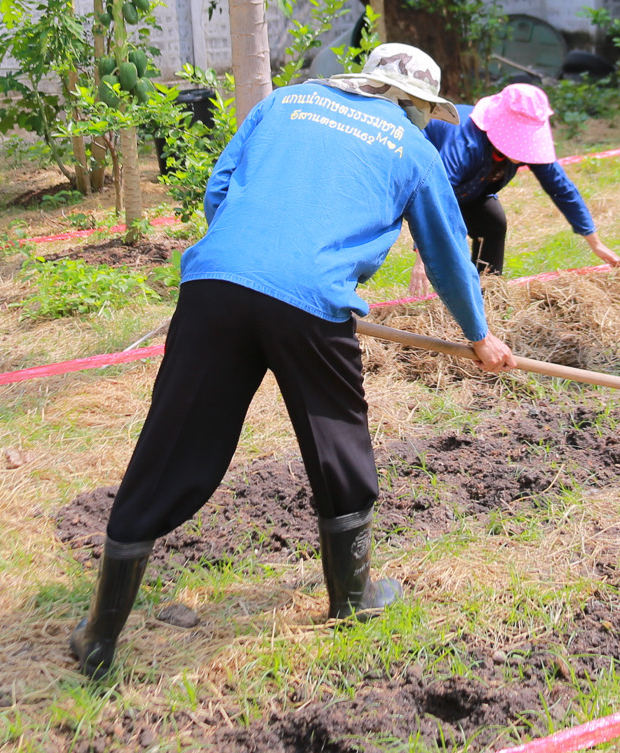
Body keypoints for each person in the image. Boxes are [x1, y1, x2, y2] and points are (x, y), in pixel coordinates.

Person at [69, 43, 513, 678]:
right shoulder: (412, 146)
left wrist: (249, 258)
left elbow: (218, 190)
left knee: (172, 445)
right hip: (311, 301)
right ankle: (353, 597)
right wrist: (479, 335)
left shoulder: (281, 103)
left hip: (215, 284)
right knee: (337, 439)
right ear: (416, 105)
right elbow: (444, 251)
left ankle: (100, 636)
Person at [423, 82, 620, 275]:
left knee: (493, 223)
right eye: (519, 137)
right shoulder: (465, 141)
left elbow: (562, 189)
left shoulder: (527, 150)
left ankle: (489, 294)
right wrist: (422, 257)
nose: (524, 146)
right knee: (451, 245)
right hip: (423, 184)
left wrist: (595, 243)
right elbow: (437, 192)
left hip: (471, 188)